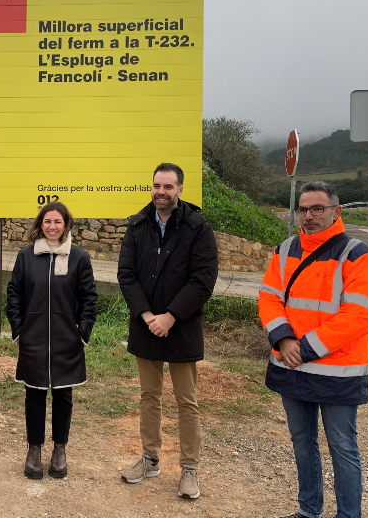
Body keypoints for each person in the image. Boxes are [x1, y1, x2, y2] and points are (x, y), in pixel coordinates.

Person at [258, 181, 368, 518]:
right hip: (292, 364)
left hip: (336, 372)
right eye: (304, 209)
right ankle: (308, 510)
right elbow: (269, 298)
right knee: (302, 442)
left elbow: (358, 317)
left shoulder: (357, 255)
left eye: (317, 209)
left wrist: (304, 348)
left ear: (335, 212)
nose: (309, 216)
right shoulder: (285, 250)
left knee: (342, 447)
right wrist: (283, 339)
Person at [117, 163, 218, 500]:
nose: (161, 192)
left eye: (168, 186)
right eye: (157, 185)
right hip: (146, 326)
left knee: (186, 401)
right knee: (149, 397)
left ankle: (189, 469)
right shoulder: (137, 224)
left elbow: (203, 279)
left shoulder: (198, 227)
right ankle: (149, 459)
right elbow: (127, 275)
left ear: (180, 190)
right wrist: (148, 316)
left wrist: (171, 316)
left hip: (182, 327)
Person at [6, 202, 97, 480]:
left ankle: (60, 449)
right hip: (33, 339)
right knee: (34, 394)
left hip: (66, 341)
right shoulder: (26, 256)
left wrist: (81, 333)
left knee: (63, 395)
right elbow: (14, 294)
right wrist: (20, 329)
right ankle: (34, 449)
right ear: (40, 224)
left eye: (58, 221)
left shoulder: (79, 257)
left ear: (66, 225)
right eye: (47, 221)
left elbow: (89, 299)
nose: (52, 226)